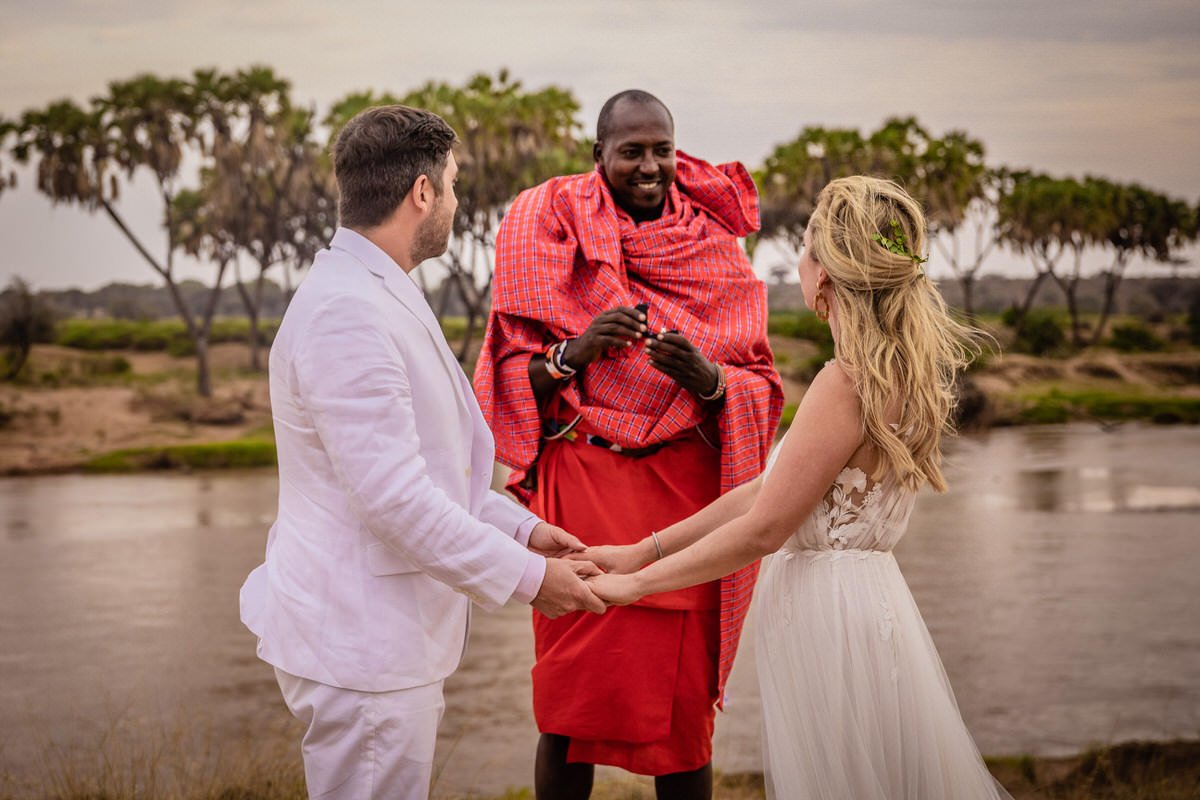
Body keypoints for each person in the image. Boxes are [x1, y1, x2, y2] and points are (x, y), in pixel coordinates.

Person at [584, 175, 1013, 799]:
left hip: (832, 620)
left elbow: (765, 528)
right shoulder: (901, 371)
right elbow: (767, 490)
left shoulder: (845, 382)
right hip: (866, 604)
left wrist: (634, 587)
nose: (800, 264)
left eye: (807, 251)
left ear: (828, 276)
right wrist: (641, 549)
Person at [238, 105, 606, 800]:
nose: (458, 202)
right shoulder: (347, 311)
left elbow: (431, 474)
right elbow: (395, 503)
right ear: (422, 192)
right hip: (362, 644)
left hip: (379, 637)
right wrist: (531, 580)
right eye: (455, 184)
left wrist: (525, 531)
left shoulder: (380, 287)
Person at [474, 90, 783, 798]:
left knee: (683, 719)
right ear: (598, 156)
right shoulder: (546, 229)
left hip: (683, 506)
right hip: (580, 492)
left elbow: (761, 386)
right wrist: (574, 352)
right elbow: (507, 378)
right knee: (567, 708)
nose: (650, 167)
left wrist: (709, 382)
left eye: (662, 150)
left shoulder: (713, 248)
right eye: (632, 152)